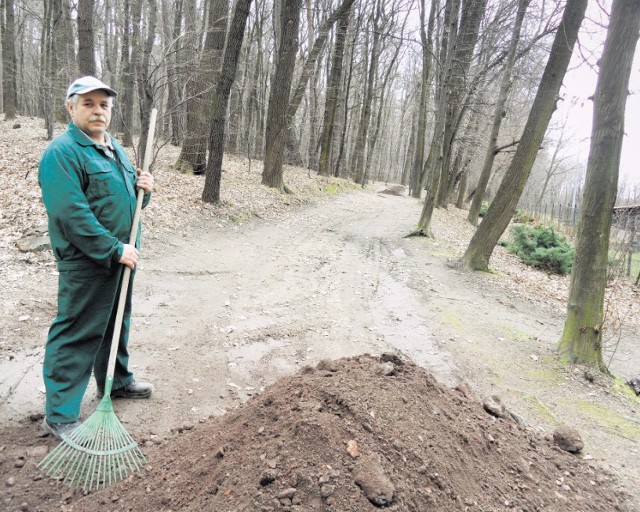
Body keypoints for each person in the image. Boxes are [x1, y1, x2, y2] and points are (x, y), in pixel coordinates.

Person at [38, 76, 154, 439]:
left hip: (122, 256)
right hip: (88, 261)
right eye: (88, 103)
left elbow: (126, 201)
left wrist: (144, 190)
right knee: (77, 331)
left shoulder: (113, 148)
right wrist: (114, 249)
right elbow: (71, 215)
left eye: (103, 104)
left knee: (116, 325)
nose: (97, 111)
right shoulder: (62, 153)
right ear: (70, 107)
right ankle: (60, 414)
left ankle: (116, 383)